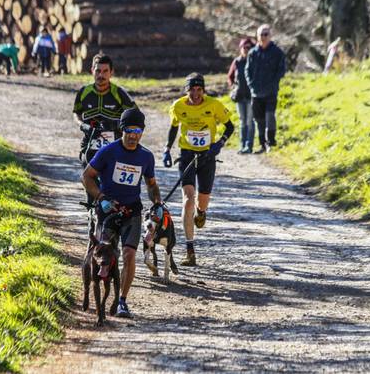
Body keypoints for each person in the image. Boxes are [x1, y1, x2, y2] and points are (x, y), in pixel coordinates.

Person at [82, 108, 162, 318]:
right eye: (130, 130)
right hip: (108, 211)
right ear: (122, 129)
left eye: (138, 130)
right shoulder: (109, 151)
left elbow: (151, 184)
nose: (134, 135)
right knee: (103, 253)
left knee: (129, 254)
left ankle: (122, 302)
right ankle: (96, 296)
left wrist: (157, 202)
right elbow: (87, 176)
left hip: (131, 211)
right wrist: (100, 198)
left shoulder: (146, 156)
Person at [162, 73, 234, 266]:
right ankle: (189, 249)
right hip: (186, 155)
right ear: (187, 90)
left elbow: (230, 127)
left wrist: (219, 144)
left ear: (203, 90)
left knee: (202, 201)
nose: (195, 94)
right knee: (187, 199)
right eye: (192, 90)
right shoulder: (178, 106)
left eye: (199, 90)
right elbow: (173, 127)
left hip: (207, 156)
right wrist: (167, 149)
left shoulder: (214, 105)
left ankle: (201, 212)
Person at [245, 24, 287, 153]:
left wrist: (273, 83)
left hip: (271, 92)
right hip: (256, 93)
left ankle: (271, 142)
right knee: (259, 120)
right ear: (257, 36)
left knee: (270, 117)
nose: (263, 37)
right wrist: (251, 84)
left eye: (266, 34)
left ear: (270, 36)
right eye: (261, 34)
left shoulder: (277, 52)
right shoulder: (252, 53)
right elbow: (248, 70)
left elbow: (281, 70)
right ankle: (262, 144)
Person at [227, 37, 255, 153]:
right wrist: (233, 86)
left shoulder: (255, 61)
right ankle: (242, 145)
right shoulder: (237, 61)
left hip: (251, 96)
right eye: (244, 47)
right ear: (240, 48)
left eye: (248, 47)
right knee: (242, 121)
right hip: (240, 96)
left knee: (249, 121)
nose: (246, 49)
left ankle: (249, 146)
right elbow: (230, 76)